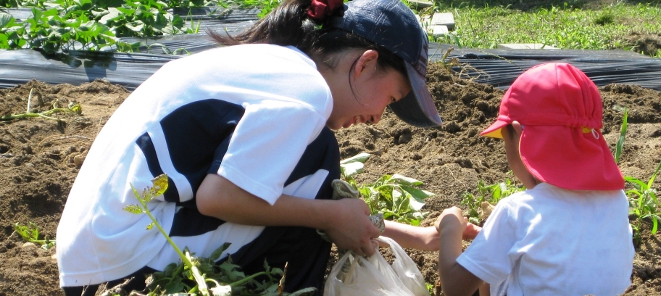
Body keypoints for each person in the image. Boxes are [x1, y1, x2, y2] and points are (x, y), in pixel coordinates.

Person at [56, 0, 480, 295]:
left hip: (98, 258)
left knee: (316, 170)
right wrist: (331, 216)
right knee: (320, 162)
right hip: (124, 269)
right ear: (365, 63)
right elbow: (220, 197)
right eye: (389, 98)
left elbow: (278, 195)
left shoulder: (277, 67)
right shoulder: (306, 92)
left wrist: (418, 237)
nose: (377, 118)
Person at [434, 62, 635, 296]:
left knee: (489, 275)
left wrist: (451, 227)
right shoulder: (616, 201)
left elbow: (455, 289)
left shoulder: (518, 210)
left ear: (519, 135)